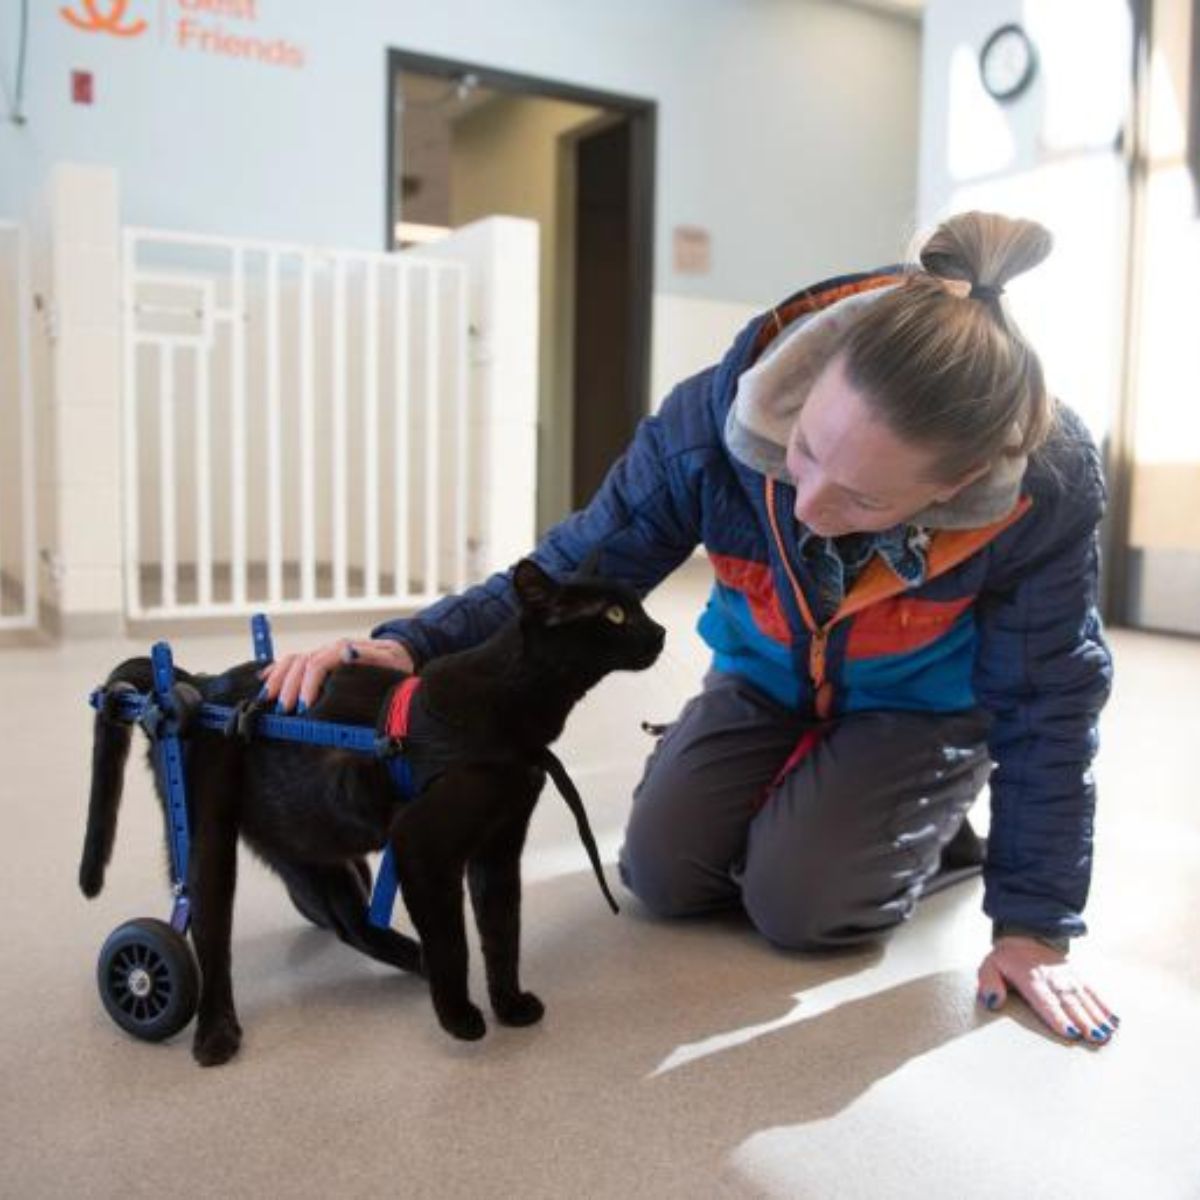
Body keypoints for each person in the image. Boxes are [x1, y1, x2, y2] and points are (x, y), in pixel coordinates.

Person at [263, 211, 1118, 1047]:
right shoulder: (706, 424)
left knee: (801, 906)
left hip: (919, 708)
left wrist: (1036, 924)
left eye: (864, 500)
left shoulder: (1048, 487)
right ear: (812, 376)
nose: (814, 507)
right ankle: (807, 783)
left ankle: (936, 823)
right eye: (807, 451)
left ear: (961, 483)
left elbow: (1051, 700)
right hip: (765, 680)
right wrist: (407, 645)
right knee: (663, 877)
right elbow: (565, 574)